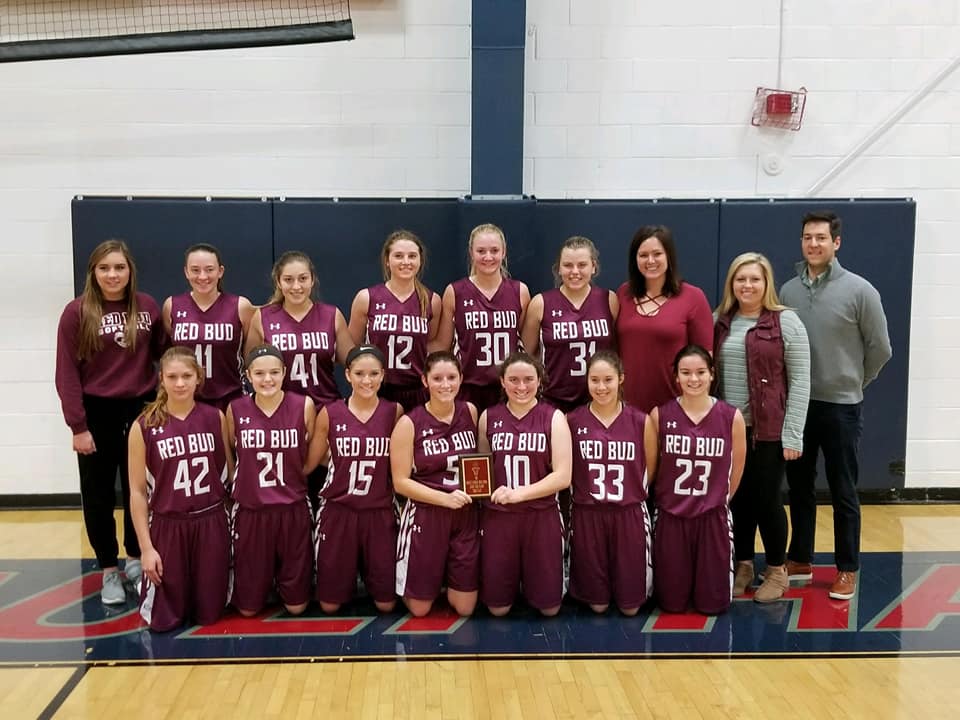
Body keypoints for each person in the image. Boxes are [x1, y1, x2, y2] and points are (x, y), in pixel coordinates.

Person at [780, 211, 892, 601]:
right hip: (799, 406)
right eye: (808, 237)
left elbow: (881, 349)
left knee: (844, 489)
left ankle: (847, 568)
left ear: (836, 243)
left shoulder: (861, 291)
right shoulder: (789, 291)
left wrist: (855, 383)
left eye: (821, 238)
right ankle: (801, 559)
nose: (814, 244)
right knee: (799, 487)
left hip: (842, 407)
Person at [55, 239, 168, 604]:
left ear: (130, 270)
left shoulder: (147, 307)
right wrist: (78, 426)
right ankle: (108, 570)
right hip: (96, 411)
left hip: (141, 408)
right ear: (93, 272)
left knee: (141, 488)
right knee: (99, 495)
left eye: (119, 267)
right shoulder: (77, 312)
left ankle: (135, 558)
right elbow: (67, 373)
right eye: (104, 268)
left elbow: (164, 357)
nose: (113, 274)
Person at [713, 253, 810, 602]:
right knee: (737, 499)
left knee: (768, 500)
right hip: (731, 430)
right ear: (731, 284)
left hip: (770, 430)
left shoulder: (787, 322)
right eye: (741, 279)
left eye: (754, 279)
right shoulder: (721, 321)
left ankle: (776, 569)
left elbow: (800, 381)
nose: (747, 285)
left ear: (767, 283)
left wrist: (793, 433)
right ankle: (743, 565)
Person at [128, 346, 232, 631]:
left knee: (209, 616)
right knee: (162, 622)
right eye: (172, 377)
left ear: (199, 377)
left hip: (210, 522)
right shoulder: (144, 426)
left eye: (187, 376)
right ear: (161, 379)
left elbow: (229, 474)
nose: (180, 383)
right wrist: (146, 549)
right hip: (168, 524)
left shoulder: (215, 418)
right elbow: (137, 492)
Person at [247, 250, 354, 513]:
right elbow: (252, 368)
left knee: (325, 495)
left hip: (324, 413)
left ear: (313, 280)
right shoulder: (262, 317)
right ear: (278, 282)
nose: (296, 286)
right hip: (281, 418)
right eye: (289, 279)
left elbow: (354, 366)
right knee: (286, 494)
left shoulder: (332, 315)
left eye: (303, 278)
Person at [306, 345, 402, 613]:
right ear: (347, 375)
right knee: (329, 606)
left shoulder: (394, 412)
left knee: (386, 605)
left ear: (383, 375)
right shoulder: (329, 413)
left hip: (379, 509)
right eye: (359, 373)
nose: (367, 380)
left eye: (373, 373)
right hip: (339, 510)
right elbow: (310, 464)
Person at [650, 345, 746, 615]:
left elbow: (736, 469)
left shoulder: (731, 417)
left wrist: (720, 501)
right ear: (676, 377)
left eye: (701, 372)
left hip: (712, 517)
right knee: (671, 605)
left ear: (712, 375)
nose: (694, 379)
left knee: (713, 606)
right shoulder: (660, 416)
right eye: (686, 373)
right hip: (671, 517)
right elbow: (652, 468)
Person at [478, 352, 572, 617]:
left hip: (541, 515)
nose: (521, 386)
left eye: (529, 379)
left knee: (550, 609)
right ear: (502, 382)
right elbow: (482, 470)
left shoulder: (554, 417)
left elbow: (563, 476)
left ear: (540, 381)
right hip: (499, 517)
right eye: (514, 380)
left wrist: (519, 494)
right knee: (497, 609)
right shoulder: (488, 417)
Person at [226, 345, 316, 617]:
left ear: (284, 373)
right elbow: (232, 452)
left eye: (274, 372)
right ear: (248, 375)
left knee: (297, 607)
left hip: (293, 509)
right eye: (260, 373)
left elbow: (309, 454)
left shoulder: (304, 405)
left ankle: (284, 580)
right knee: (248, 610)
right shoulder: (235, 409)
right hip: (252, 512)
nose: (268, 379)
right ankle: (263, 578)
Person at [390, 351, 480, 617]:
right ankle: (421, 584)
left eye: (451, 377)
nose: (445, 384)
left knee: (465, 608)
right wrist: (444, 498)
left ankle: (442, 581)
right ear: (425, 381)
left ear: (461, 379)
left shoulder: (470, 412)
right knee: (419, 610)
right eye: (437, 378)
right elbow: (400, 483)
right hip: (426, 512)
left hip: (464, 514)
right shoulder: (409, 423)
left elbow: (480, 464)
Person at [567, 350, 656, 615]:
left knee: (631, 608)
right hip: (587, 513)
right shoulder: (572, 421)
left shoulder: (641, 421)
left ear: (621, 379)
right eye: (595, 380)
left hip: (628, 513)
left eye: (608, 379)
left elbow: (650, 468)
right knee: (598, 605)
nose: (601, 386)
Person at [616, 225, 714, 412]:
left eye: (657, 254)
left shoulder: (693, 297)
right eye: (643, 255)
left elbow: (705, 360)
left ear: (669, 256)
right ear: (634, 259)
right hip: (628, 410)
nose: (650, 260)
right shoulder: (623, 294)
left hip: (675, 408)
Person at [435, 223, 531, 411]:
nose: (488, 257)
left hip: (508, 389)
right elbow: (443, 345)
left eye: (494, 250)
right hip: (467, 388)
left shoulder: (520, 291)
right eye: (481, 251)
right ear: (471, 253)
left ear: (503, 252)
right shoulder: (455, 292)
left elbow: (526, 345)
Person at [521, 236, 618, 413]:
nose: (575, 271)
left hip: (598, 400)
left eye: (582, 265)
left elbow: (617, 350)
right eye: (567, 265)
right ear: (558, 268)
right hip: (553, 401)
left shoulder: (609, 300)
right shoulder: (541, 303)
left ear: (593, 266)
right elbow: (527, 355)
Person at [349, 230, 442, 412]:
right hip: (377, 389)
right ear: (387, 260)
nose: (406, 262)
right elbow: (352, 347)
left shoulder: (432, 301)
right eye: (398, 256)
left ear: (420, 260)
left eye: (412, 256)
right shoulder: (366, 298)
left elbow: (432, 344)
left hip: (417, 390)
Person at [162, 244, 255, 411]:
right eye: (195, 270)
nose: (203, 276)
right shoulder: (172, 306)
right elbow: (170, 353)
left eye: (209, 269)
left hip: (231, 397)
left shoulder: (241, 306)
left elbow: (249, 355)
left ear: (220, 271)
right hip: (186, 399)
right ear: (186, 272)